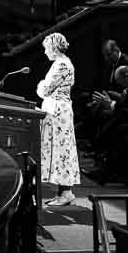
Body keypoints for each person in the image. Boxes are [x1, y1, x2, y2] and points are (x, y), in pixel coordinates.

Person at [36, 32, 81, 209]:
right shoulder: (59, 63)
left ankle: (66, 192)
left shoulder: (62, 65)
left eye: (47, 48)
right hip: (54, 110)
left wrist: (40, 85)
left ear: (54, 47)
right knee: (57, 151)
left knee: (62, 150)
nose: (45, 52)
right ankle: (63, 192)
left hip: (59, 112)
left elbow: (44, 90)